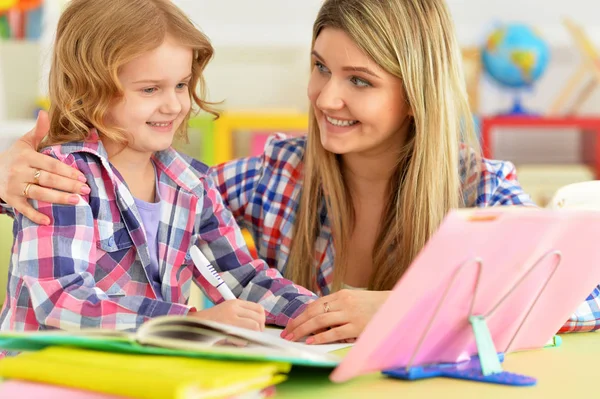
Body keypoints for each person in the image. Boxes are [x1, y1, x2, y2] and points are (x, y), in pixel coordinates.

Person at [2, 0, 599, 344]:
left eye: (359, 81)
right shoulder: (277, 172)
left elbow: (584, 295)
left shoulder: (482, 191)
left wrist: (403, 307)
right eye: (320, 67)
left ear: (416, 93)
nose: (325, 97)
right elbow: (213, 261)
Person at [0, 0, 317, 349]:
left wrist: (316, 314)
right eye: (150, 89)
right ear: (88, 90)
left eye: (181, 85)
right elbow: (61, 301)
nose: (174, 105)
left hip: (143, 373)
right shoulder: (61, 177)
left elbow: (243, 277)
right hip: (43, 372)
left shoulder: (191, 184)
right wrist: (188, 323)